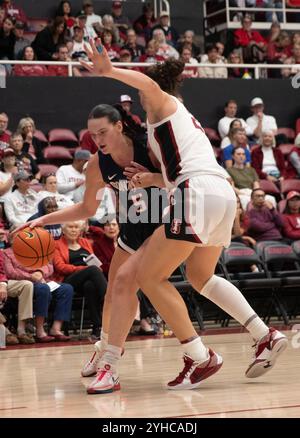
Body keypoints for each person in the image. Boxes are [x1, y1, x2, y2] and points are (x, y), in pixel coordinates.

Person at [20, 44, 287, 395]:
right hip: (217, 193)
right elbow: (91, 205)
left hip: (193, 194)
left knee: (142, 277)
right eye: (93, 135)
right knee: (199, 276)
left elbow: (148, 88)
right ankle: (263, 334)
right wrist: (151, 180)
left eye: (103, 131)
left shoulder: (162, 110)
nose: (140, 101)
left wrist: (109, 70)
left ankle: (194, 355)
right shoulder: (170, 127)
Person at [53, 221, 106, 340]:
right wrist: (83, 269)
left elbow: (94, 262)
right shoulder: (56, 244)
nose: (73, 230)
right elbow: (60, 267)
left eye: (76, 227)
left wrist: (93, 269)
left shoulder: (85, 242)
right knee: (92, 270)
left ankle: (97, 328)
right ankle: (109, 300)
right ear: (63, 230)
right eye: (70, 226)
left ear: (80, 230)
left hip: (87, 278)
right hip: (68, 281)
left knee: (90, 286)